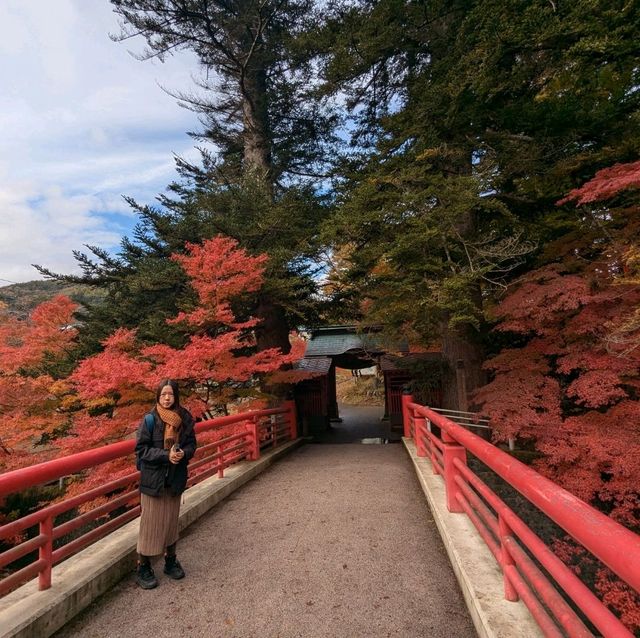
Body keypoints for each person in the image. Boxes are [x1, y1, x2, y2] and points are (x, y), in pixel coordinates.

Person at [134, 379, 197, 589]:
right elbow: (141, 450)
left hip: (175, 479)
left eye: (170, 394)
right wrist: (165, 455)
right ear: (158, 396)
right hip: (154, 481)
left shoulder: (185, 418)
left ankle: (171, 561)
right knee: (150, 524)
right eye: (163, 395)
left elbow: (191, 445)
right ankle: (143, 566)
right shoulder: (150, 419)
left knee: (171, 522)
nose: (167, 398)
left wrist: (182, 453)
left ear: (176, 395)